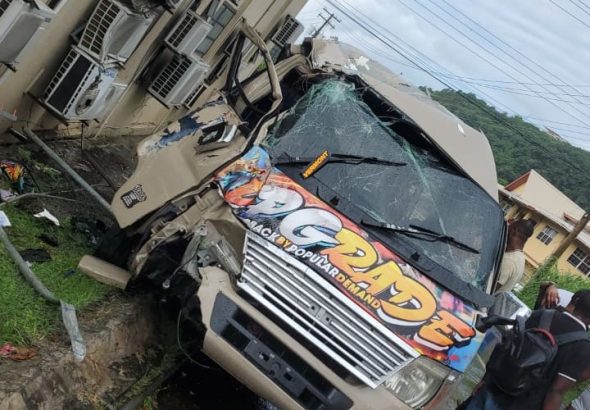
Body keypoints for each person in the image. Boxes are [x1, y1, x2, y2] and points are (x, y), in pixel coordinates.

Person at [462, 290, 590, 410]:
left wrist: (485, 380)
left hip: (493, 389)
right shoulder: (583, 348)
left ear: (577, 303)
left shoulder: (542, 315)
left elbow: (506, 348)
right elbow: (556, 391)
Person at [496, 219, 535, 293]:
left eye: (508, 227)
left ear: (514, 232)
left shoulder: (509, 261)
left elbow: (487, 290)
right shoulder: (520, 258)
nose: (505, 231)